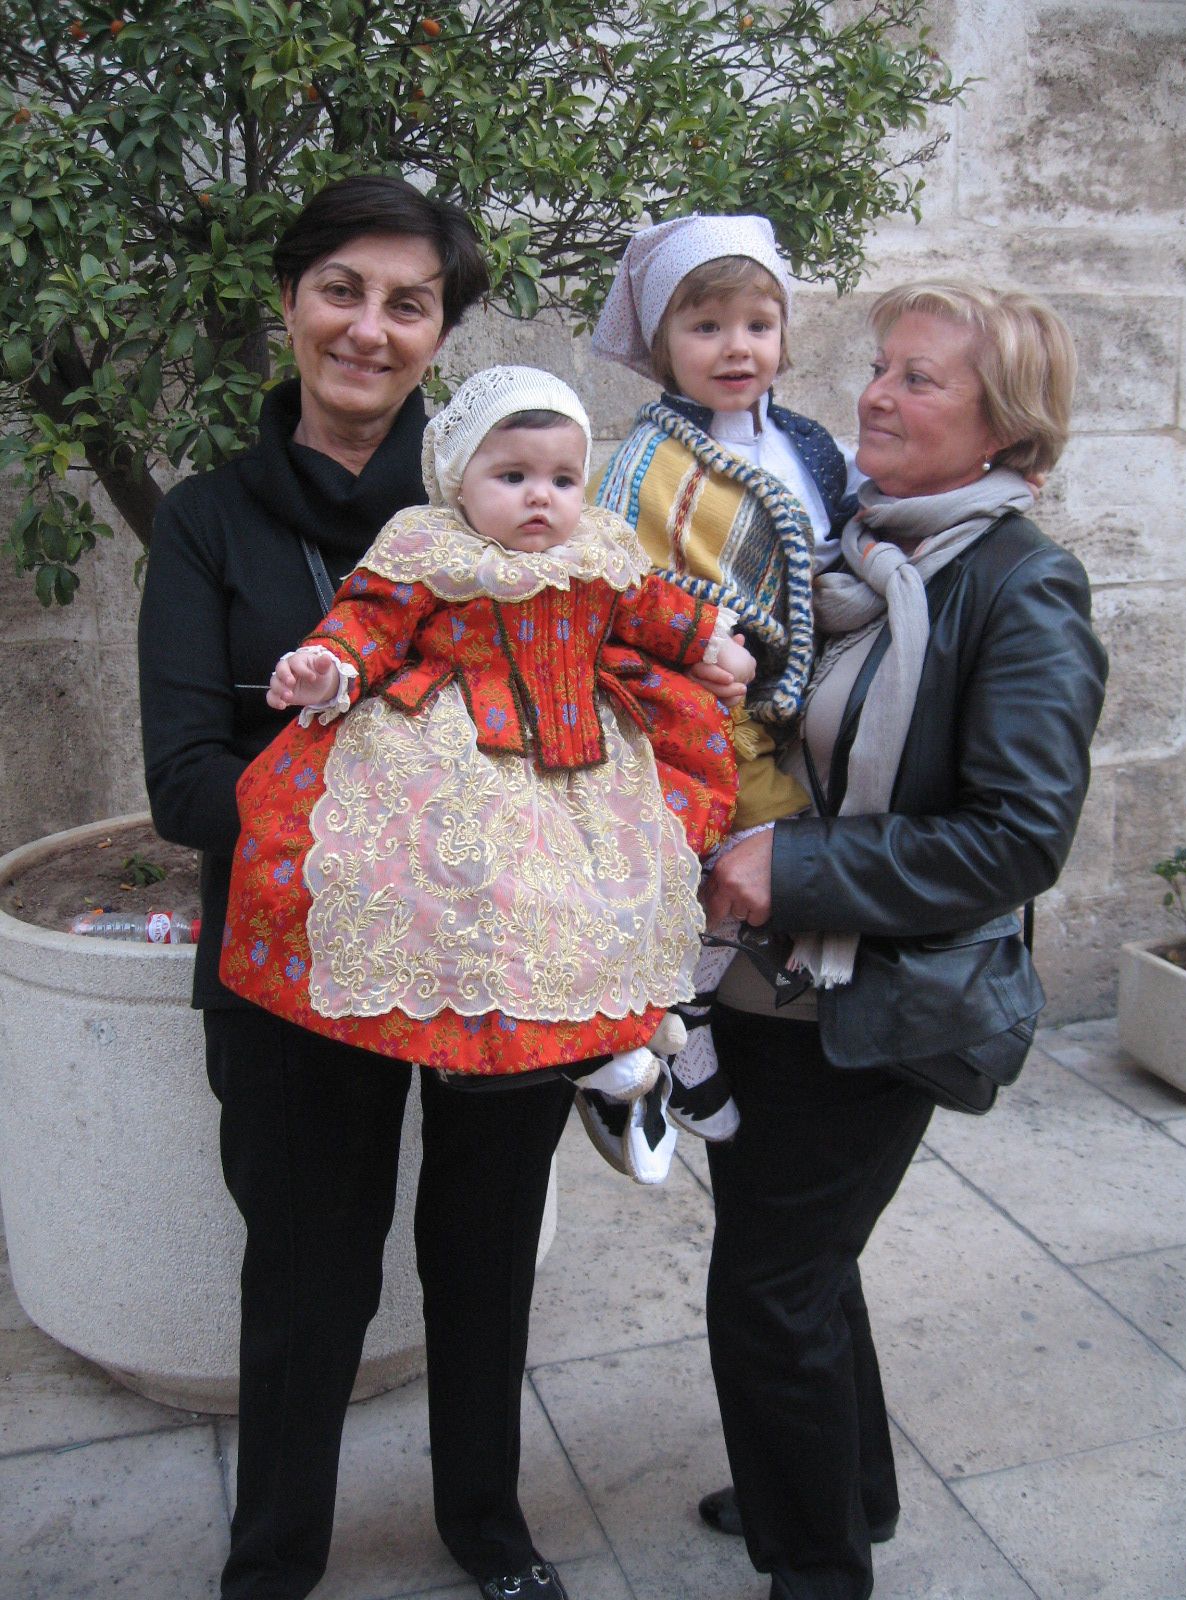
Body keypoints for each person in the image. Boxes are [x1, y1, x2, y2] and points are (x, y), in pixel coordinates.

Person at [140, 178, 571, 1600]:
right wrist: (421, 817)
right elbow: (190, 782)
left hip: (500, 960)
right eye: (342, 289)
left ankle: (488, 1532)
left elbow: (593, 715)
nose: (370, 329)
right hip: (295, 968)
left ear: (441, 329)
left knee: (487, 1255)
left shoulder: (501, 514)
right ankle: (272, 1563)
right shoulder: (210, 523)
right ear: (288, 301)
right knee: (307, 1281)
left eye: (409, 303)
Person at [691, 280, 1108, 1600]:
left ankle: (818, 1569)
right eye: (880, 366)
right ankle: (839, 1488)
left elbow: (1017, 836)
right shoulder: (865, 550)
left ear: (1005, 425)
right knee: (805, 1267)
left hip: (884, 998)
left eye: (921, 378)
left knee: (767, 1289)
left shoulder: (1021, 586)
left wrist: (791, 862)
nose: (875, 392)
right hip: (781, 985)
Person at [219, 363, 750, 1183]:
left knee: (607, 895)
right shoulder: (432, 548)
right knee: (459, 890)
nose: (542, 497)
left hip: (583, 759)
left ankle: (614, 1054)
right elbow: (372, 619)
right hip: (454, 754)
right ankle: (564, 1057)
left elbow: (649, 609)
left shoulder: (599, 547)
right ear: (457, 481)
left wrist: (708, 642)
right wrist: (328, 668)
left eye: (563, 478)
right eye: (513, 476)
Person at [590, 212, 860, 1144]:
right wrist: (712, 637)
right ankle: (676, 1020)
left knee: (774, 862)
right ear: (663, 345)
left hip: (810, 704)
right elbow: (621, 579)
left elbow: (852, 545)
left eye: (757, 323)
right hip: (701, 712)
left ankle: (685, 1011)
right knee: (729, 862)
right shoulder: (647, 462)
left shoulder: (814, 447)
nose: (736, 347)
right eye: (706, 328)